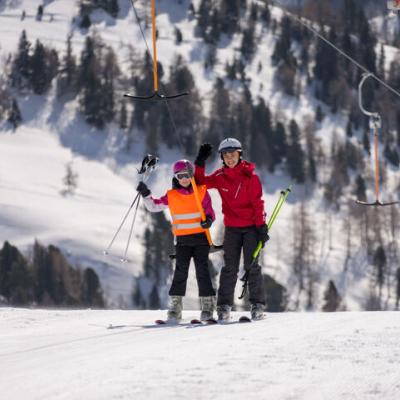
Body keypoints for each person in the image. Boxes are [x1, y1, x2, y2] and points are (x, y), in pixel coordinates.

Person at [194, 138, 269, 321]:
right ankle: (224, 306)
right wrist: (200, 162)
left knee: (252, 267)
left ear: (239, 154)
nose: (230, 158)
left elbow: (257, 204)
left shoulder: (251, 177)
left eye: (233, 154)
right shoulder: (220, 177)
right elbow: (199, 183)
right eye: (226, 155)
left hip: (251, 227)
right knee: (229, 268)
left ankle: (257, 305)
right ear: (222, 157)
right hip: (232, 228)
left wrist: (261, 226)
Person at [136, 159, 216, 322]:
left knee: (203, 272)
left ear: (192, 175)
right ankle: (175, 308)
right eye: (180, 176)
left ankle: (207, 307)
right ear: (176, 177)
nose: (184, 179)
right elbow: (154, 206)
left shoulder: (201, 191)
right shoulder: (172, 195)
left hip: (201, 238)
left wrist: (208, 220)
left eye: (187, 175)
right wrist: (146, 194)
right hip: (182, 240)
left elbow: (210, 212)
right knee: (180, 272)